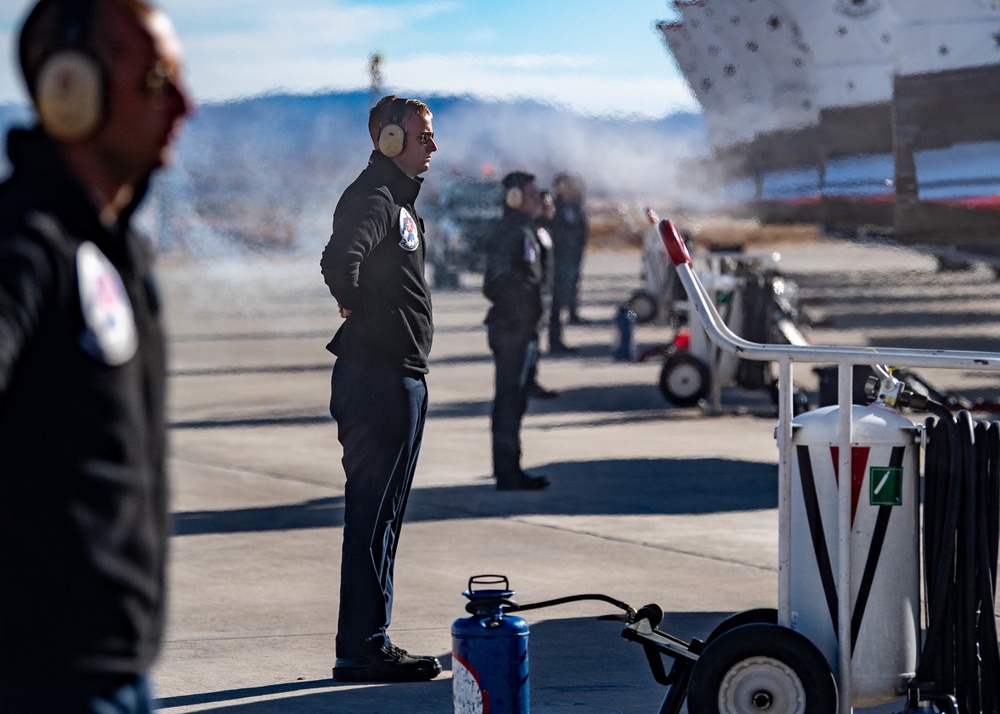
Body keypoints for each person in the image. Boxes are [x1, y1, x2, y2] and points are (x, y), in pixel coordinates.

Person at [0, 1, 192, 711]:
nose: (184, 105)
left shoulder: (116, 253)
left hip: (116, 674)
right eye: (157, 80)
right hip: (38, 683)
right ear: (70, 87)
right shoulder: (22, 248)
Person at [320, 95, 443, 683]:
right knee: (373, 516)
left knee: (384, 515)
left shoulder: (396, 200)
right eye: (423, 135)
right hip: (379, 377)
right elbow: (338, 260)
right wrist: (360, 311)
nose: (433, 145)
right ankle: (362, 646)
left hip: (397, 375)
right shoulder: (374, 198)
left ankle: (369, 639)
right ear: (389, 139)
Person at [483, 171, 552, 491]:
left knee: (517, 402)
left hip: (525, 329)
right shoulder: (508, 233)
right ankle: (507, 472)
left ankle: (511, 468)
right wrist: (519, 307)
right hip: (511, 328)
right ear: (514, 197)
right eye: (531, 194)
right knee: (508, 404)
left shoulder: (528, 229)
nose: (537, 199)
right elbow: (493, 283)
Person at [548, 172, 590, 353]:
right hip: (559, 258)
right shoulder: (554, 207)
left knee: (571, 288)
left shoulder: (574, 205)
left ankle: (572, 313)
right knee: (556, 302)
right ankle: (555, 341)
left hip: (573, 255)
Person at [529, 188, 558, 400]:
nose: (550, 209)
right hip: (534, 295)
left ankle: (531, 380)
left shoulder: (545, 230)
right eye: (546, 205)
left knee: (535, 340)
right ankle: (528, 382)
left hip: (543, 293)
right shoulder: (532, 230)